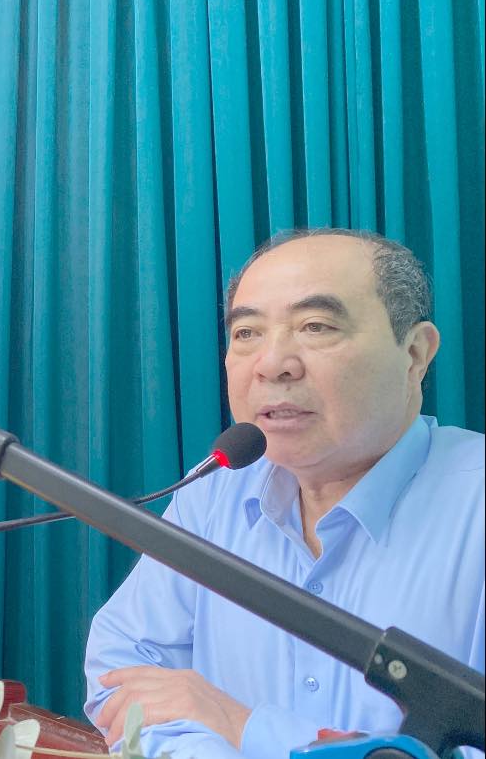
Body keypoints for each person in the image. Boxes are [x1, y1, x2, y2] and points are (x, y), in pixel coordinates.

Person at [83, 228, 485, 759]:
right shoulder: (214, 495)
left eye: (316, 326)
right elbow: (122, 674)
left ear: (414, 353)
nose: (272, 364)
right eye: (246, 332)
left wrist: (243, 726)